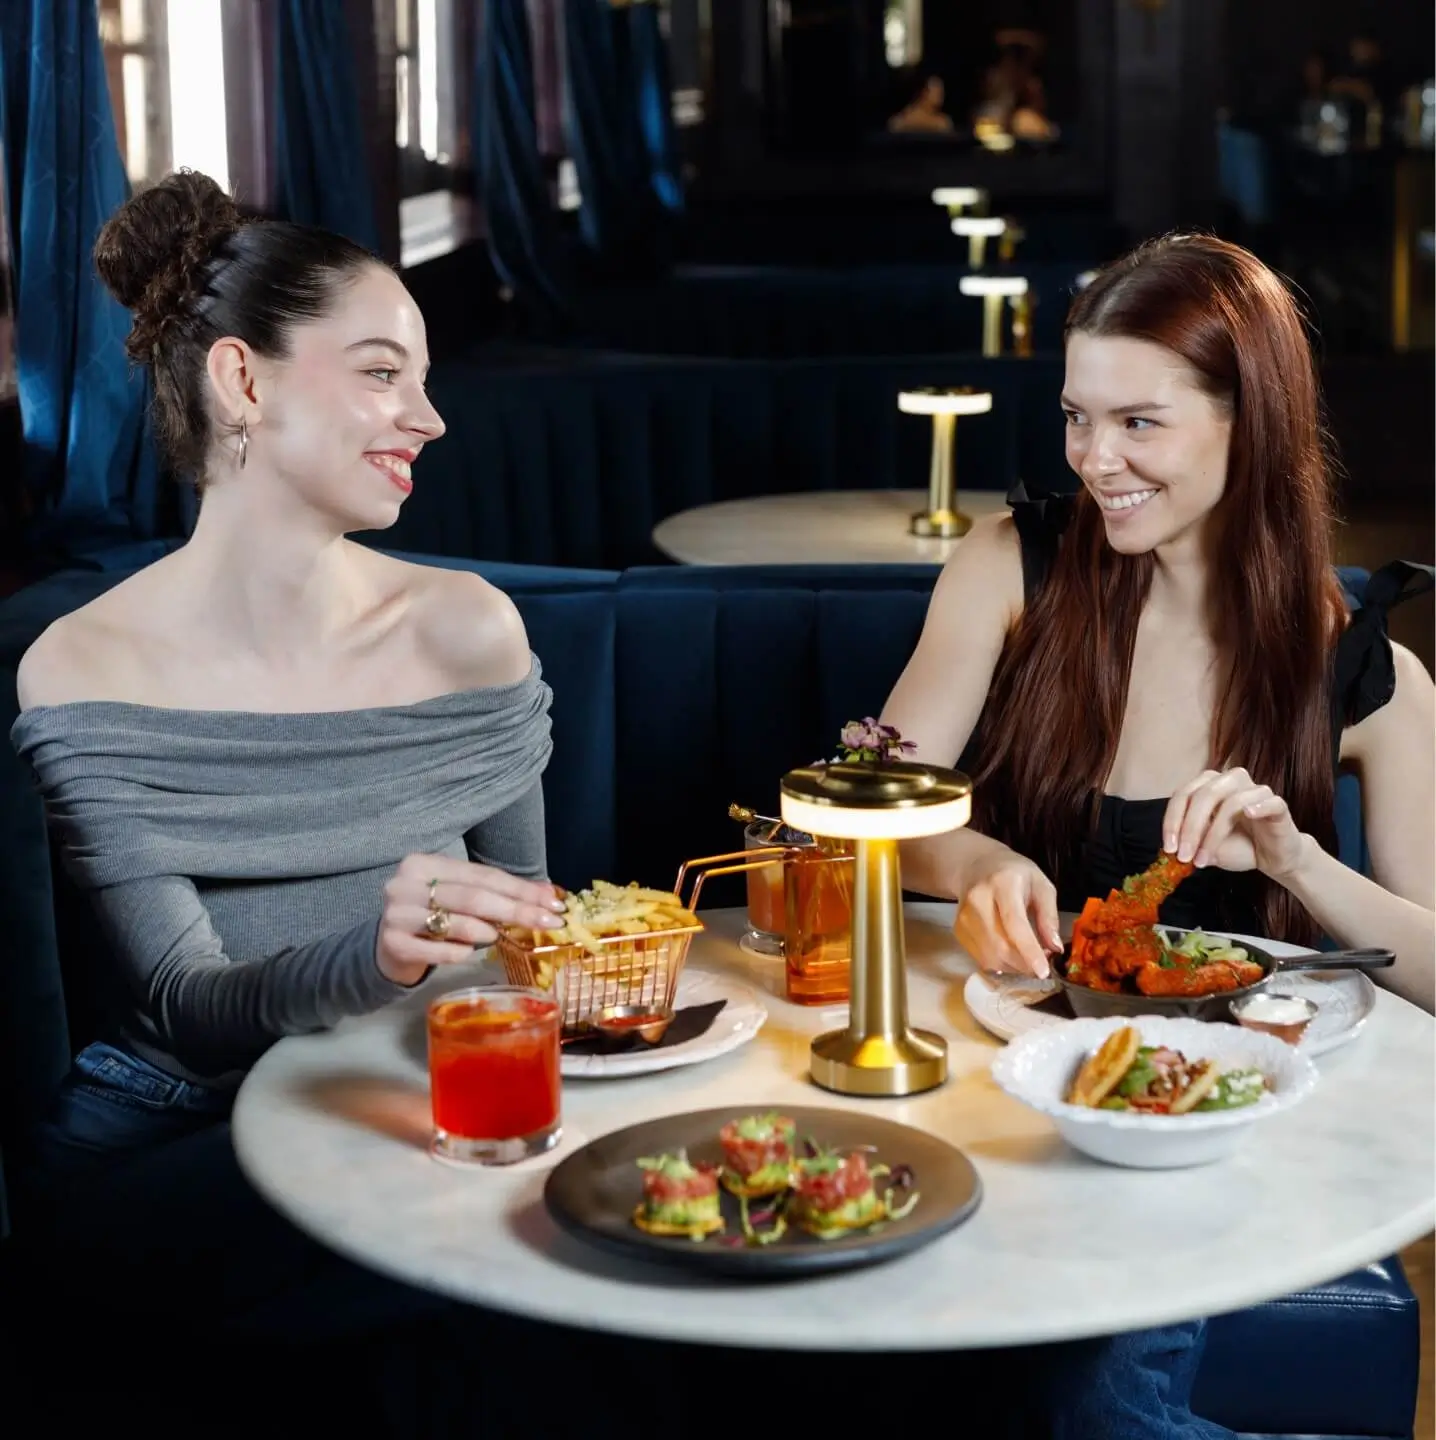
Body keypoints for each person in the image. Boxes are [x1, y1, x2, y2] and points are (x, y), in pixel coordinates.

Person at [7, 169, 567, 1430]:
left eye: (421, 378)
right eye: (381, 373)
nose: (427, 418)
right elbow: (184, 1010)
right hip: (175, 1140)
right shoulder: (82, 666)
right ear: (243, 382)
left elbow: (527, 948)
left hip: (421, 1108)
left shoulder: (467, 628)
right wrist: (374, 959)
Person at [880, 232, 1434, 1434]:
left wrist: (1294, 859)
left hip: (1216, 1127)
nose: (1094, 460)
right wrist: (966, 855)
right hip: (998, 1087)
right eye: (1078, 419)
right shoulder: (1007, 566)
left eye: (1139, 424)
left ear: (1252, 426)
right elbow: (869, 812)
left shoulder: (1366, 670)